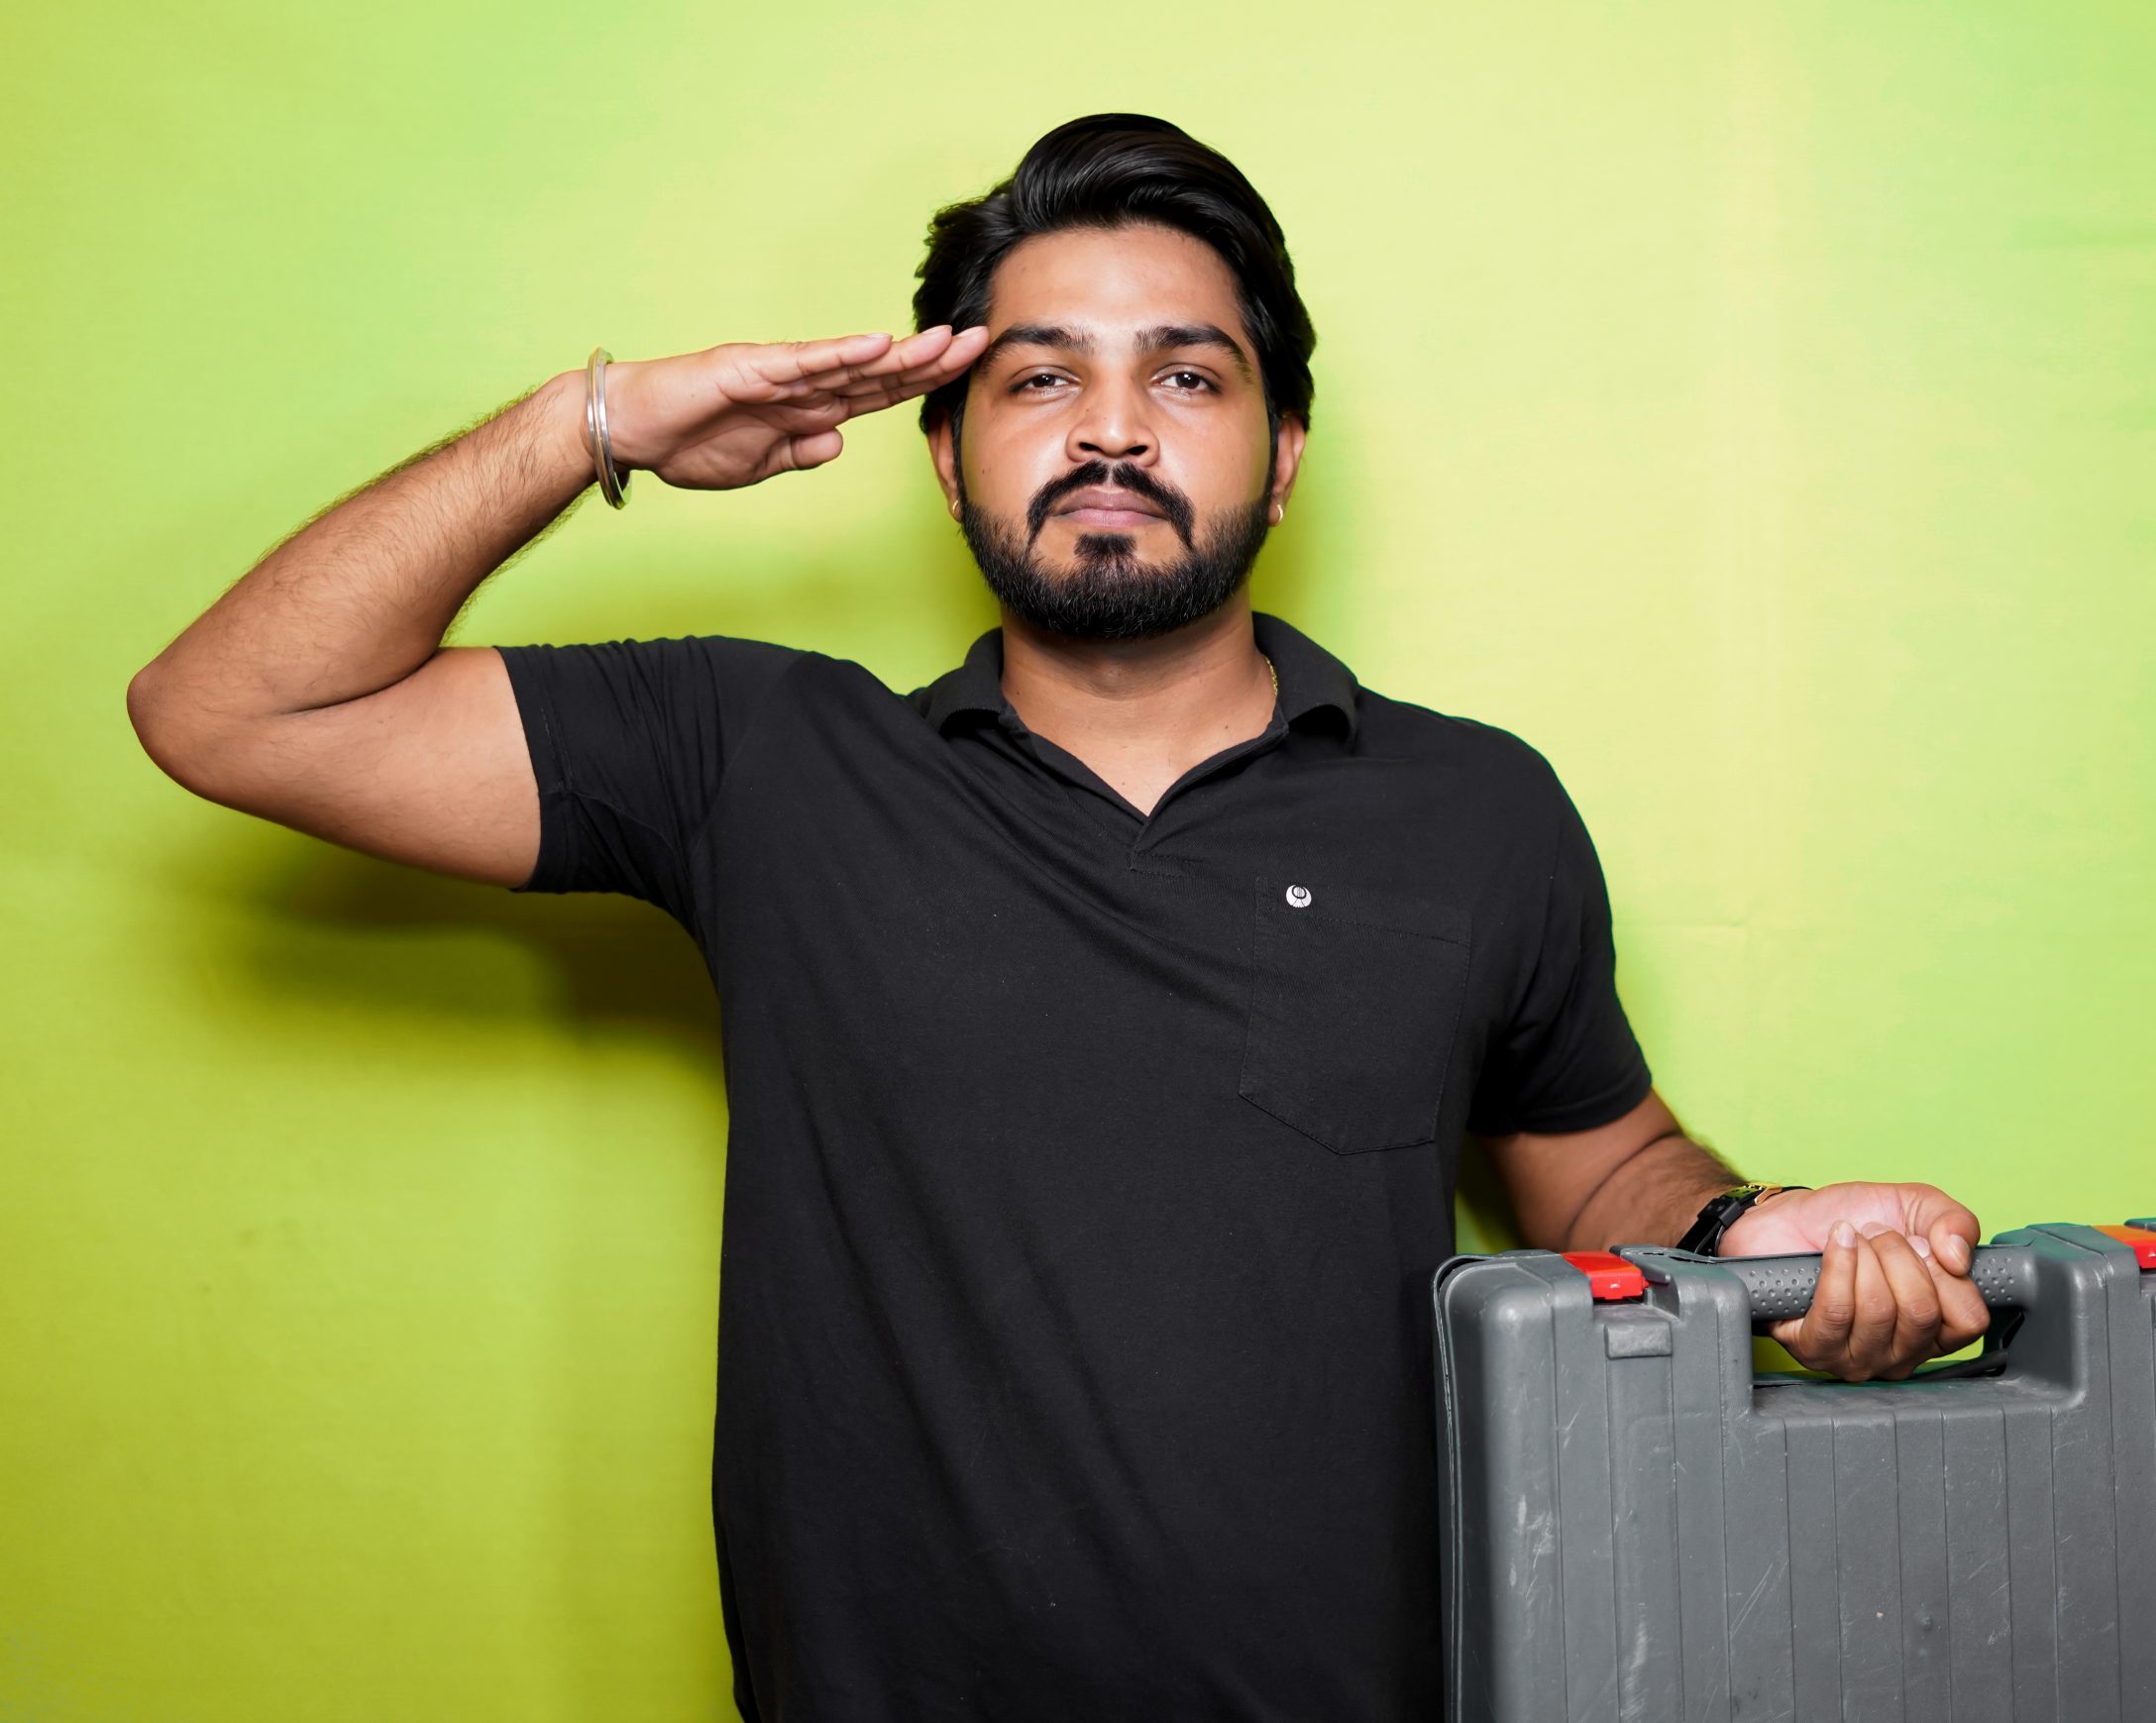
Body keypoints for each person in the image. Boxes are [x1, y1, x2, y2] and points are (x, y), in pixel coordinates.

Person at [128, 113, 1993, 1721]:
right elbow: (229, 712)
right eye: (1038, 377)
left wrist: (1753, 1234)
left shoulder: (1476, 805)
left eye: (1186, 375)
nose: (1112, 428)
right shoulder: (763, 762)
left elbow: (1596, 1176)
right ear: (941, 452)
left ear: (1279, 455)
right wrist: (593, 419)